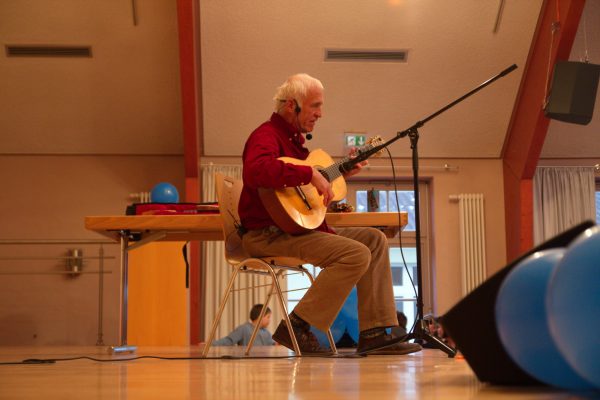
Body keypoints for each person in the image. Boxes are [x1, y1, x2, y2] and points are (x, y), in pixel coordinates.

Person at [238, 73, 421, 356]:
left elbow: (301, 195)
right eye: (314, 106)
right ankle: (297, 326)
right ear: (291, 106)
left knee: (374, 239)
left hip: (294, 230)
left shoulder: (295, 144)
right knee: (356, 254)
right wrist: (309, 173)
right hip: (268, 235)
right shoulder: (265, 136)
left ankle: (375, 331)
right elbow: (255, 171)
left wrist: (341, 171)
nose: (320, 114)